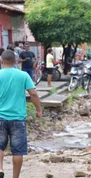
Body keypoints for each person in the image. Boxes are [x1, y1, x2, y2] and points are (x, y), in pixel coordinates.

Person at [0, 50, 42, 178]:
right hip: (18, 119)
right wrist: (38, 110)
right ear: (15, 61)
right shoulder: (23, 75)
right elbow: (33, 94)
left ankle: (0, 168)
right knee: (18, 151)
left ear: (1, 61)